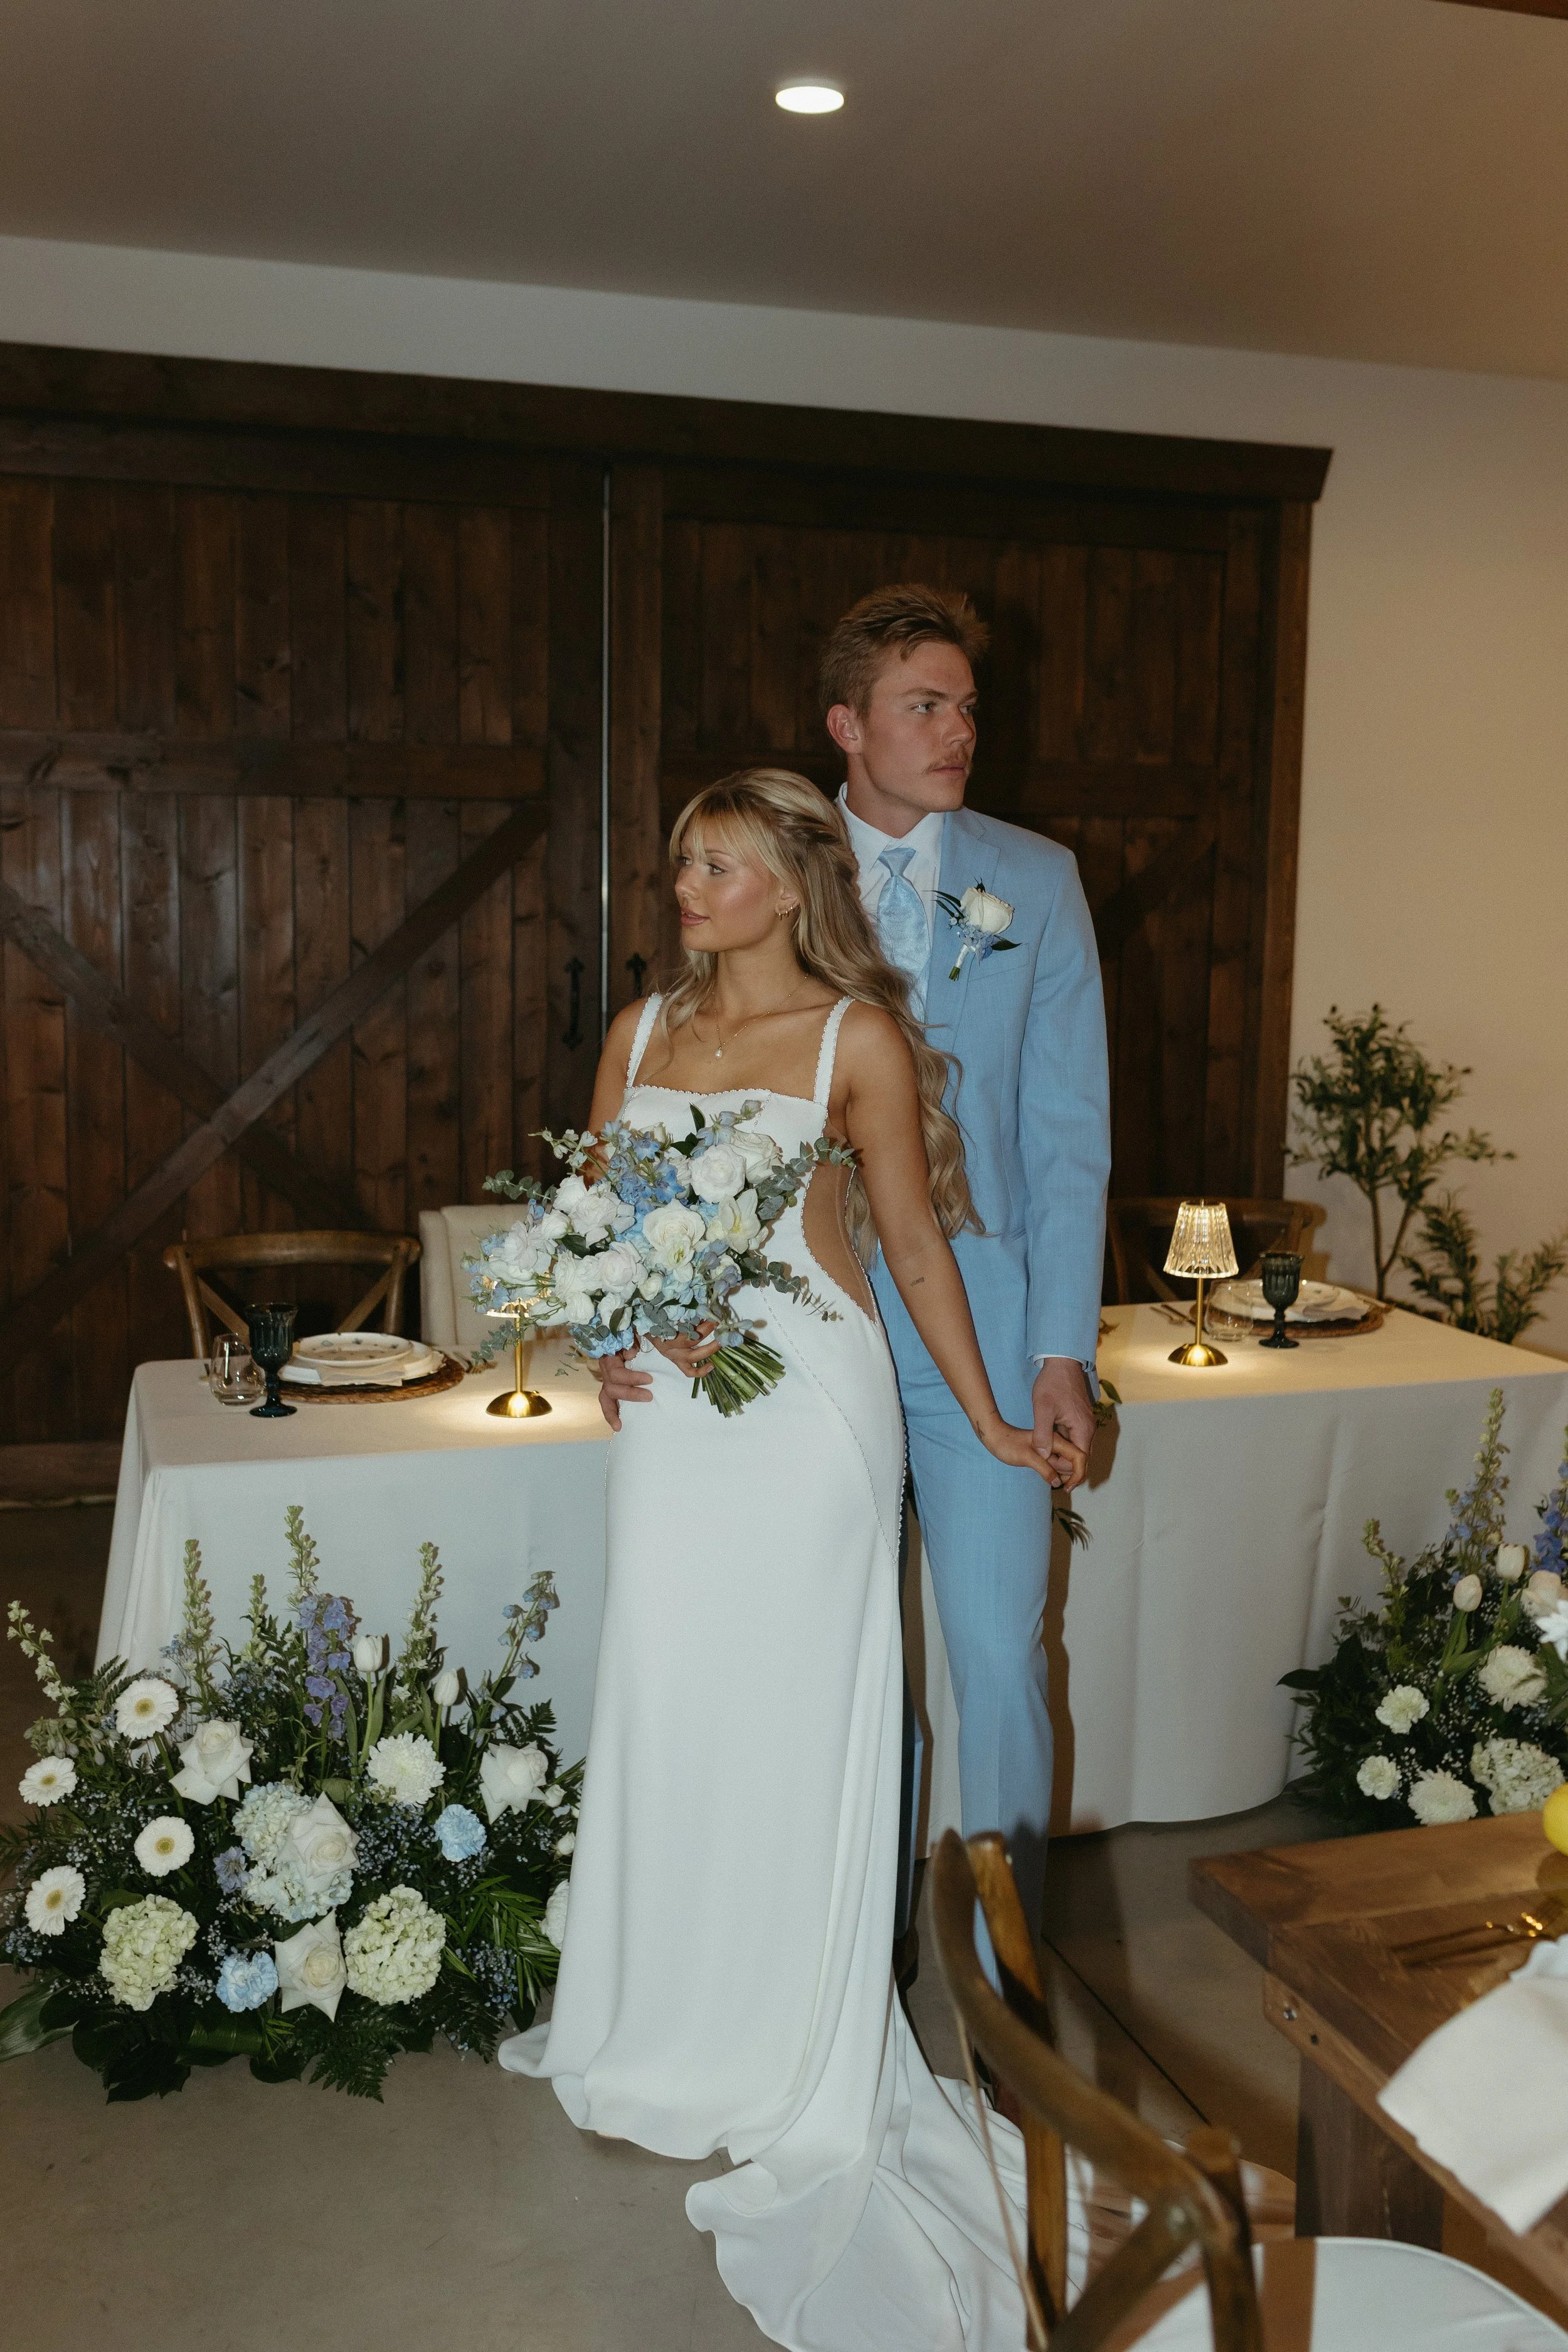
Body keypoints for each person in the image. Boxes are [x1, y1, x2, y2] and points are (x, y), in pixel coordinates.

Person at [504, 768, 1078, 2349]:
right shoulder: (638, 1033)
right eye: (683, 861)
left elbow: (909, 1249)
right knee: (672, 1698)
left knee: (798, 1722)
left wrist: (983, 1417)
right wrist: (599, 1333)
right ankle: (656, 2015)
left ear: (792, 883)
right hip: (673, 1431)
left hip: (811, 1421)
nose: (687, 886)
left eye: (719, 865)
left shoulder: (857, 1040)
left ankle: (785, 2043)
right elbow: (582, 1217)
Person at [822, 584, 1111, 1942]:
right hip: (816, 1307)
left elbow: (1065, 1133)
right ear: (846, 724)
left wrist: (1062, 1350)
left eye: (965, 708)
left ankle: (1012, 1996)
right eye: (921, 706)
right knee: (847, 1659)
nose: (955, 732)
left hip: (989, 1308)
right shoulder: (767, 869)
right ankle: (856, 1973)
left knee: (1000, 1654)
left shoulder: (1033, 878)